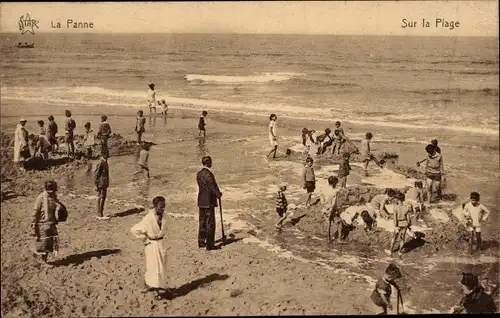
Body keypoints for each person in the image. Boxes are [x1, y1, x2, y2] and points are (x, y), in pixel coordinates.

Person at [131, 196, 168, 294]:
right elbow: (134, 230)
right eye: (161, 206)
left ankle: (158, 286)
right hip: (151, 245)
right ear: (155, 206)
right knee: (152, 267)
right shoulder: (148, 218)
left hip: (161, 243)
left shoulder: (165, 216)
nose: (163, 208)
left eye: (164, 206)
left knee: (162, 266)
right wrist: (145, 239)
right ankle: (150, 287)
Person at [31, 180, 67, 266]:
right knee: (44, 243)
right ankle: (43, 261)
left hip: (51, 223)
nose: (52, 192)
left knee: (51, 241)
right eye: (51, 191)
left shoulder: (53, 197)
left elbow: (57, 205)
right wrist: (33, 222)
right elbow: (36, 211)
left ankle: (40, 258)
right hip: (42, 223)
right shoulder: (41, 198)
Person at [196, 156, 222, 250]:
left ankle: (201, 242)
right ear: (208, 163)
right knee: (210, 223)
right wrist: (218, 194)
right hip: (209, 201)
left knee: (202, 222)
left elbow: (204, 187)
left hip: (201, 201)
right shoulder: (209, 174)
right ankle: (210, 245)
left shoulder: (199, 174)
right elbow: (211, 187)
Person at [385, 192, 412, 258]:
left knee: (394, 237)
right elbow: (408, 218)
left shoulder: (395, 208)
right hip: (405, 224)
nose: (395, 200)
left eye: (396, 199)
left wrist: (396, 226)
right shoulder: (407, 208)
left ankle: (390, 250)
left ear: (398, 200)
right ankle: (399, 251)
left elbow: (395, 219)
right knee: (402, 239)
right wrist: (409, 226)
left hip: (398, 224)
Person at [94, 153, 110, 220]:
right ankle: (100, 214)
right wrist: (96, 184)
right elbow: (96, 174)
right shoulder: (101, 162)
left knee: (100, 197)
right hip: (101, 183)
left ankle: (99, 213)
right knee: (102, 197)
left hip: (102, 182)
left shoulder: (103, 162)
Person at [323, 176, 339, 240]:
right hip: (331, 209)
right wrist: (331, 209)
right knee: (339, 222)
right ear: (334, 183)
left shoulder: (324, 189)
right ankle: (332, 237)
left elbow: (322, 199)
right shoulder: (335, 191)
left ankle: (328, 237)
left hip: (325, 208)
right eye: (336, 183)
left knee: (328, 223)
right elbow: (334, 203)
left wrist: (325, 206)